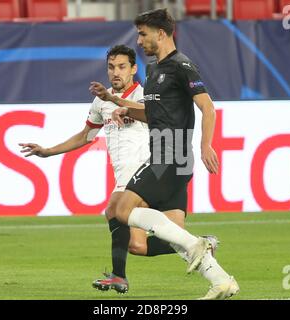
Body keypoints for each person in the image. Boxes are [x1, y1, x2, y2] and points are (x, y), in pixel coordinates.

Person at [19, 44, 213, 295]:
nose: (115, 72)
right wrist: (48, 151)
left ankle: (119, 277)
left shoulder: (147, 95)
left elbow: (154, 111)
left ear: (134, 69)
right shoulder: (101, 104)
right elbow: (86, 135)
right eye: (111, 67)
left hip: (147, 171)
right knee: (137, 245)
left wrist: (119, 103)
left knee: (114, 210)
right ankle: (200, 245)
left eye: (122, 67)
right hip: (125, 175)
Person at [89, 9, 239, 300]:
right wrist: (119, 103)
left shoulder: (181, 65)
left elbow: (208, 107)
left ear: (161, 33)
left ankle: (198, 243)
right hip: (169, 157)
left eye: (143, 34)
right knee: (172, 236)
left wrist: (205, 145)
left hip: (170, 155)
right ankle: (221, 281)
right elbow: (154, 114)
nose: (139, 40)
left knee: (120, 210)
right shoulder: (155, 70)